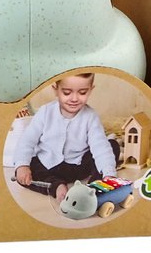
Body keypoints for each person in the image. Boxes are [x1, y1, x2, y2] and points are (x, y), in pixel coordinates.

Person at [13, 73, 118, 201]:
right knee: (22, 171)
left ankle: (93, 188)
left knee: (111, 145)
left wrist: (108, 173)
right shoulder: (45, 112)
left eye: (82, 93)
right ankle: (56, 186)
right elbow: (27, 141)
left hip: (78, 165)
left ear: (91, 90)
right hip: (47, 165)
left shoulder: (90, 116)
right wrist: (22, 165)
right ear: (55, 90)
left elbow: (99, 146)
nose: (74, 99)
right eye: (67, 93)